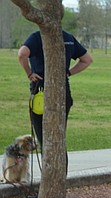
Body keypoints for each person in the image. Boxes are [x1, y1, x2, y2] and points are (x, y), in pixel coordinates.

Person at [18, 29, 92, 157]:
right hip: (63, 90)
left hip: (41, 91)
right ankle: (61, 173)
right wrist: (68, 72)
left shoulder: (38, 37)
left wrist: (29, 73)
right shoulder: (68, 37)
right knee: (58, 137)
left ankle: (49, 175)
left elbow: (22, 54)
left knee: (44, 138)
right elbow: (87, 60)